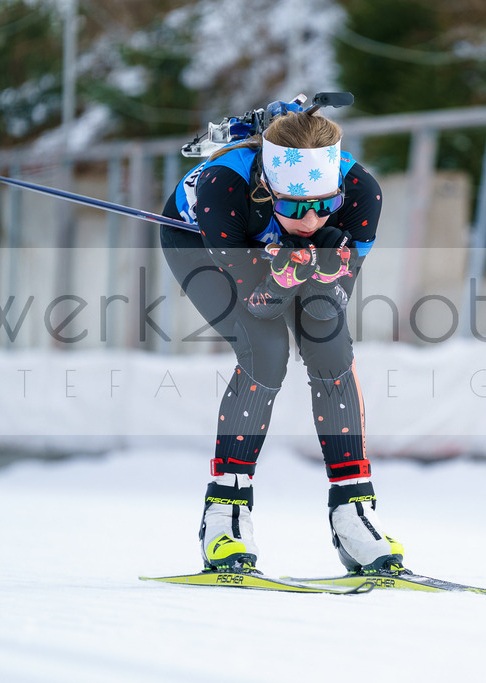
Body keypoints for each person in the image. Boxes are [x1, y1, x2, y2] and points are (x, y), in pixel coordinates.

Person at [159, 102, 404, 575]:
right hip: (201, 240)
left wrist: (326, 271)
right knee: (265, 352)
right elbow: (259, 307)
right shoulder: (223, 189)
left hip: (272, 252)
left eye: (322, 206)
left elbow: (327, 307)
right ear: (268, 189)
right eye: (294, 206)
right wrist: (282, 276)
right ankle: (224, 515)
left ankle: (353, 513)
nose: (311, 220)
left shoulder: (360, 194)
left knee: (330, 346)